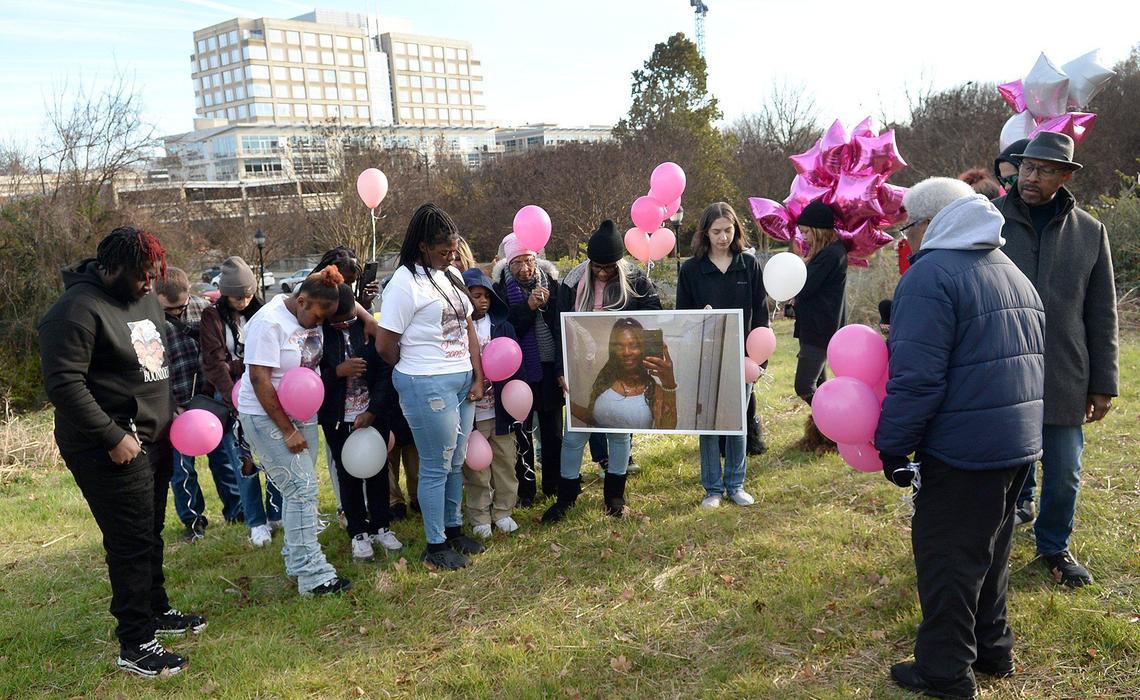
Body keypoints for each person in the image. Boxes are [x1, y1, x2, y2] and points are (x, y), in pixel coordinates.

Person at [875, 178, 1045, 699]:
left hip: (964, 445)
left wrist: (892, 442)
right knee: (990, 550)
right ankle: (993, 648)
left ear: (932, 222)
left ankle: (945, 672)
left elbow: (918, 378)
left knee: (947, 555)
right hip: (1016, 439)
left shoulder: (930, 275)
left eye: (909, 227)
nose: (908, 239)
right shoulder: (1010, 269)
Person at [39, 226, 205, 677]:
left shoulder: (147, 297)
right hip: (108, 445)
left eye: (154, 275)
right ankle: (135, 644)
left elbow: (155, 365)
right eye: (141, 276)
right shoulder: (74, 311)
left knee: (149, 530)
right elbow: (64, 385)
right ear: (111, 268)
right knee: (129, 541)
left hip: (154, 438)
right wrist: (112, 437)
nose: (150, 285)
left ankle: (156, 609)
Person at [994, 132, 1118, 587]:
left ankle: (1053, 547)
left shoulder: (1090, 231)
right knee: (1003, 469)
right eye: (1027, 166)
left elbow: (1102, 312)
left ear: (1065, 176)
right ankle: (992, 543)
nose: (1031, 176)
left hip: (1066, 373)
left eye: (1044, 169)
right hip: (1003, 372)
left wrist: (1103, 382)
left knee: (1064, 473)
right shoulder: (990, 221)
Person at [376, 203, 487, 571]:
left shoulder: (449, 276)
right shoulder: (404, 284)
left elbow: (468, 326)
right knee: (436, 466)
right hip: (426, 383)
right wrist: (414, 369)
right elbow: (384, 344)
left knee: (455, 462)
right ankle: (435, 543)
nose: (451, 255)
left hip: (460, 380)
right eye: (444, 250)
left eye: (453, 249)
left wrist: (477, 373)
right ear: (423, 245)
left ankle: (453, 530)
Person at [237, 266, 351, 596]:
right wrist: (288, 431)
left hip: (301, 412)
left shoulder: (309, 309)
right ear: (301, 301)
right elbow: (260, 380)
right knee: (302, 491)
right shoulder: (268, 322)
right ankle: (313, 576)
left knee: (298, 491)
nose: (319, 323)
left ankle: (295, 558)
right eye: (317, 315)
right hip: (266, 415)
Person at [543, 220, 662, 523]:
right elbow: (560, 329)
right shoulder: (572, 282)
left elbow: (654, 318)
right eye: (598, 266)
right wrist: (561, 369)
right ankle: (567, 495)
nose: (603, 272)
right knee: (574, 436)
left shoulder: (635, 280)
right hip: (581, 366)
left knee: (619, 434)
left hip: (621, 366)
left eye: (610, 267)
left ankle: (614, 497)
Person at [677, 201, 768, 509]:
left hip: (743, 358)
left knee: (738, 422)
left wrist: (759, 359)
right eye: (716, 231)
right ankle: (712, 489)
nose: (723, 237)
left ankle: (736, 484)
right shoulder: (691, 269)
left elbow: (762, 314)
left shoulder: (749, 264)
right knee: (710, 424)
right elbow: (682, 317)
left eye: (728, 230)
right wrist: (699, 319)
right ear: (705, 233)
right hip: (705, 358)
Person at [199, 257, 283, 548]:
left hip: (266, 390)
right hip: (232, 395)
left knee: (272, 453)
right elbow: (215, 362)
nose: (244, 301)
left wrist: (239, 365)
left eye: (248, 294)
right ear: (224, 293)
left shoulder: (263, 312)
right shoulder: (212, 317)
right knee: (243, 460)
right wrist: (234, 389)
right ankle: (256, 522)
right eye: (237, 296)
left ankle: (276, 512)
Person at [156, 267, 243, 540]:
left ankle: (236, 512)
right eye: (169, 309)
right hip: (174, 406)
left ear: (189, 293)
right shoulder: (147, 321)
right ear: (156, 297)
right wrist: (169, 406)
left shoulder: (205, 309)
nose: (176, 313)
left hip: (209, 402)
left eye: (180, 306)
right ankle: (194, 522)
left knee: (225, 462)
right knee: (182, 472)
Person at [318, 285, 403, 560]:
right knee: (348, 475)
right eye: (338, 321)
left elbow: (384, 371)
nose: (344, 325)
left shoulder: (366, 329)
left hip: (372, 415)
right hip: (338, 419)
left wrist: (374, 410)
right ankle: (357, 531)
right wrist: (338, 373)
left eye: (349, 319)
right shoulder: (318, 335)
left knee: (378, 471)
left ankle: (381, 525)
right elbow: (310, 381)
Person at [491, 233, 563, 507]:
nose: (524, 269)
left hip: (549, 369)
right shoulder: (499, 290)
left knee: (553, 431)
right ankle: (526, 488)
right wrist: (529, 307)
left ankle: (554, 485)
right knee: (522, 433)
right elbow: (506, 328)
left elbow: (560, 326)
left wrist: (547, 304)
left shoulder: (553, 284)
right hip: (518, 373)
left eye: (529, 261)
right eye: (517, 263)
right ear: (508, 265)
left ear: (538, 260)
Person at [461, 266, 523, 538]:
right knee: (476, 469)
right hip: (472, 413)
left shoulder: (502, 327)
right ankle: (480, 515)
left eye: (486, 295)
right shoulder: (457, 332)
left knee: (505, 463)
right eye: (476, 295)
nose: (482, 300)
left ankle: (503, 511)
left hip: (500, 412)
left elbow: (514, 365)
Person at [789, 200, 847, 453]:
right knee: (821, 387)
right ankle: (824, 435)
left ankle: (838, 427)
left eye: (806, 231)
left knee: (804, 385)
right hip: (814, 327)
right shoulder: (824, 253)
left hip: (821, 330)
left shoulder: (832, 254)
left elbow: (804, 286)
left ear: (820, 230)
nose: (803, 236)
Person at [568, 317, 677, 431]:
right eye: (619, 346)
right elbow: (596, 418)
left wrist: (669, 384)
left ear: (642, 348)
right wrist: (568, 402)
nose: (626, 352)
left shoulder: (653, 390)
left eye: (633, 345)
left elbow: (668, 428)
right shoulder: (605, 380)